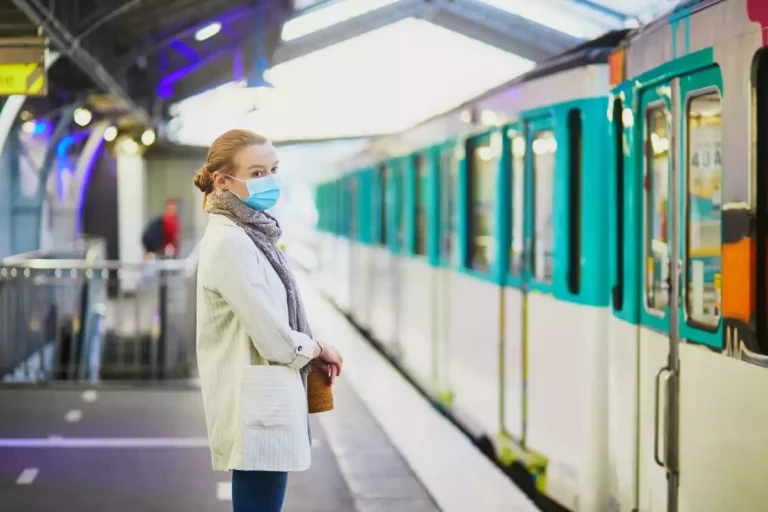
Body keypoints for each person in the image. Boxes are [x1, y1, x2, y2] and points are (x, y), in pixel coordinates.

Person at [192, 129, 343, 512]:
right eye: (257, 172)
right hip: (257, 401)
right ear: (223, 181)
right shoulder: (231, 242)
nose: (270, 180)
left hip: (264, 397)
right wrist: (318, 347)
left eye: (273, 169)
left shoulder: (250, 234)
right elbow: (273, 338)